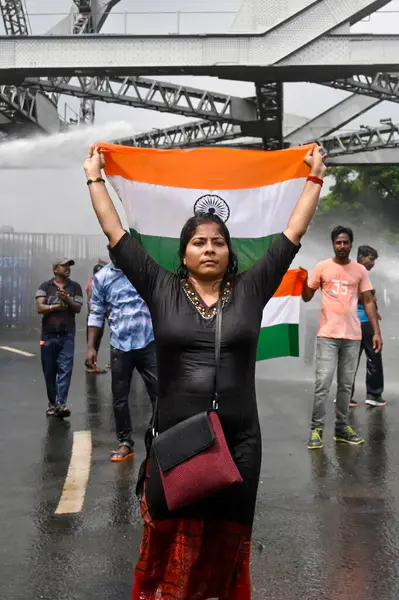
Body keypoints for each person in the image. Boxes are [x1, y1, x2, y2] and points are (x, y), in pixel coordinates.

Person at [84, 142, 326, 599]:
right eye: (199, 242)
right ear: (185, 252)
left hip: (240, 442)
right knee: (170, 544)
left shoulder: (252, 288)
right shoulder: (160, 286)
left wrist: (314, 178)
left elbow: (292, 233)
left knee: (227, 546)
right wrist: (94, 177)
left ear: (229, 252)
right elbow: (115, 232)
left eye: (218, 242)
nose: (209, 248)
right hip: (178, 438)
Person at [302, 227, 383, 450]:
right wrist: (303, 281)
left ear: (351, 244)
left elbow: (367, 301)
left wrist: (376, 331)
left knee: (346, 386)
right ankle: (316, 430)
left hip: (353, 336)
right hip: (328, 335)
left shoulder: (359, 270)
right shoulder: (322, 267)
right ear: (333, 244)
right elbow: (307, 297)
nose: (342, 246)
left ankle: (341, 428)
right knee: (322, 385)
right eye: (338, 242)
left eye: (346, 242)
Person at [86, 249, 157, 462]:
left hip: (149, 342)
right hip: (120, 345)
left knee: (159, 393)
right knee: (120, 398)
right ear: (110, 252)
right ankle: (125, 442)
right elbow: (96, 312)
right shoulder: (102, 278)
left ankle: (159, 438)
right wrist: (92, 348)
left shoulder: (142, 271)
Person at [36, 257, 83, 418]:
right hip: (48, 335)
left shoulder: (75, 287)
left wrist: (67, 299)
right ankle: (52, 404)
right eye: (64, 266)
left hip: (67, 334)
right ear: (55, 269)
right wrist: (57, 305)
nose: (67, 268)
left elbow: (77, 308)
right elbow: (39, 307)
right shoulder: (45, 286)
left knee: (65, 369)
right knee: (49, 370)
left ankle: (61, 404)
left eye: (69, 266)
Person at [352, 244, 385, 407]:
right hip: (364, 322)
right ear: (361, 257)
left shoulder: (350, 271)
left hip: (352, 322)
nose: (373, 263)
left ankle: (345, 395)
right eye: (371, 259)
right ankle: (374, 393)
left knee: (350, 359)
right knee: (374, 357)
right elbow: (361, 296)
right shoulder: (359, 272)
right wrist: (370, 296)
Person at [85, 262, 107, 373]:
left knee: (94, 342)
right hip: (95, 316)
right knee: (95, 342)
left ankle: (92, 365)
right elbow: (91, 302)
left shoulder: (92, 281)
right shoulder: (95, 283)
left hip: (93, 315)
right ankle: (91, 366)